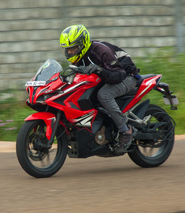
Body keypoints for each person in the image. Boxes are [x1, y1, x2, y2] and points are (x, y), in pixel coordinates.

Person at [59, 24, 141, 154]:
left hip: (127, 77)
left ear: (82, 44)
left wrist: (99, 70)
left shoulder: (100, 50)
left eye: (73, 49)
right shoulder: (80, 58)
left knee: (104, 95)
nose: (69, 53)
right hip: (108, 79)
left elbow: (119, 74)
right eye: (67, 50)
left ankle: (125, 129)